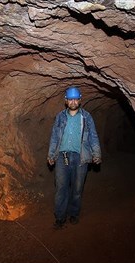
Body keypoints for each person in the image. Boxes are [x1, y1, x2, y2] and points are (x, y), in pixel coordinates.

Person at [47, 86, 102, 229]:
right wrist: (51, 154)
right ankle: (60, 217)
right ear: (66, 101)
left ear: (80, 100)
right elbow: (54, 137)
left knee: (77, 189)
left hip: (80, 158)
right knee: (61, 189)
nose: (73, 102)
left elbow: (93, 136)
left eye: (75, 99)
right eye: (70, 99)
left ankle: (74, 214)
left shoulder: (86, 117)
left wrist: (96, 153)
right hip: (61, 157)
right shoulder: (60, 117)